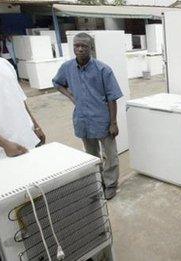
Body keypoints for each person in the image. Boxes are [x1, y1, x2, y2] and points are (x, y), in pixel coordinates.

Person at [52, 33, 123, 200]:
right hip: (82, 119)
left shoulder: (103, 69)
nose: (80, 48)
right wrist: (70, 95)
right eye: (76, 45)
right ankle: (98, 182)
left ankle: (111, 184)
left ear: (91, 48)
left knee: (110, 155)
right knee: (91, 155)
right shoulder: (67, 67)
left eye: (84, 46)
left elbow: (112, 97)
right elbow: (57, 82)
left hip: (102, 119)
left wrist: (113, 122)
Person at [0, 19, 45, 164]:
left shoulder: (4, 64)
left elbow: (20, 100)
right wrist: (5, 144)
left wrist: (35, 126)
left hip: (26, 140)